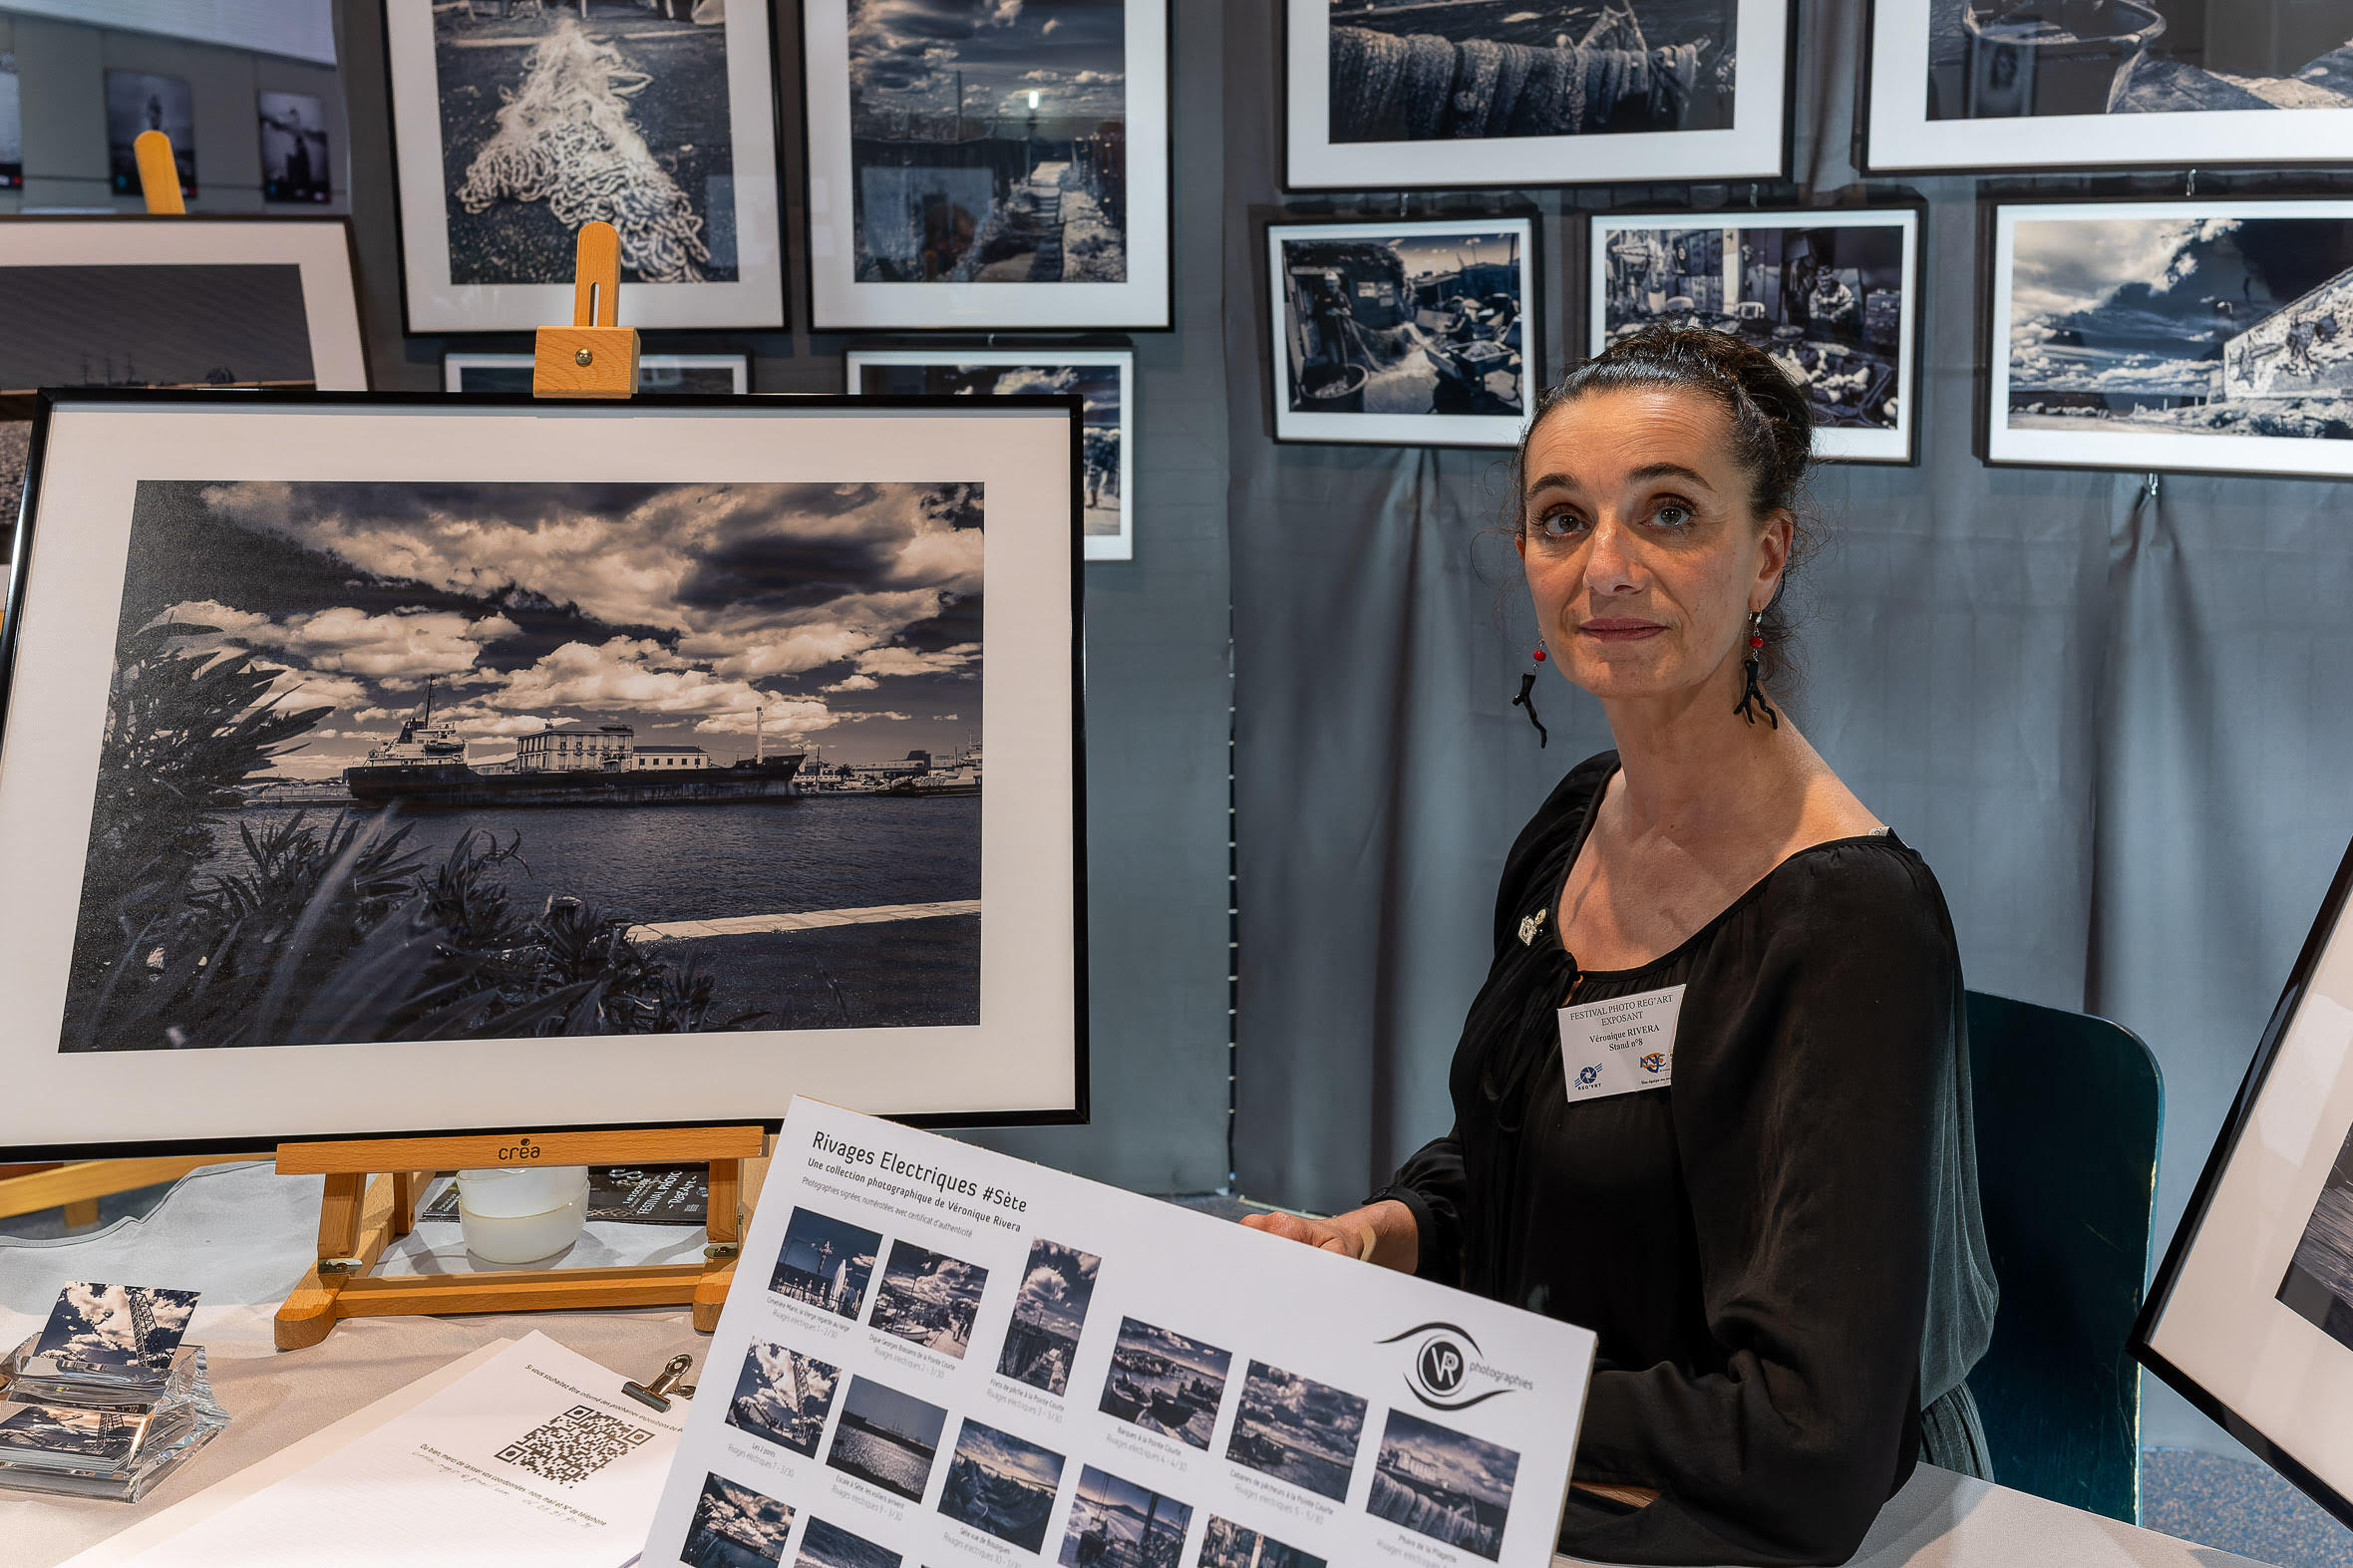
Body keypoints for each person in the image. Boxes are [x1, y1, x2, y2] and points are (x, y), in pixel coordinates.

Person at [1244, 325, 1997, 1566]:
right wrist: (1376, 1235)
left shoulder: (1850, 921)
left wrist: (1430, 1379)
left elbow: (1807, 1446)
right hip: (1518, 1463)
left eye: (1666, 513)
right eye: (1559, 520)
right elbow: (1519, 1153)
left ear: (1765, 555)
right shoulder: (1573, 821)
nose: (1605, 566)